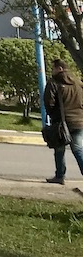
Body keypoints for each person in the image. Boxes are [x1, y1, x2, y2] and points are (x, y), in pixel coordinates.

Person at [44, 57, 83, 185]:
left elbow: (49, 102)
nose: (52, 71)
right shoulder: (78, 82)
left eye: (53, 68)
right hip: (79, 121)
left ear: (60, 69)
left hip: (61, 122)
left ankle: (60, 176)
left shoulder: (54, 83)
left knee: (59, 149)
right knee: (78, 149)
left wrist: (52, 116)